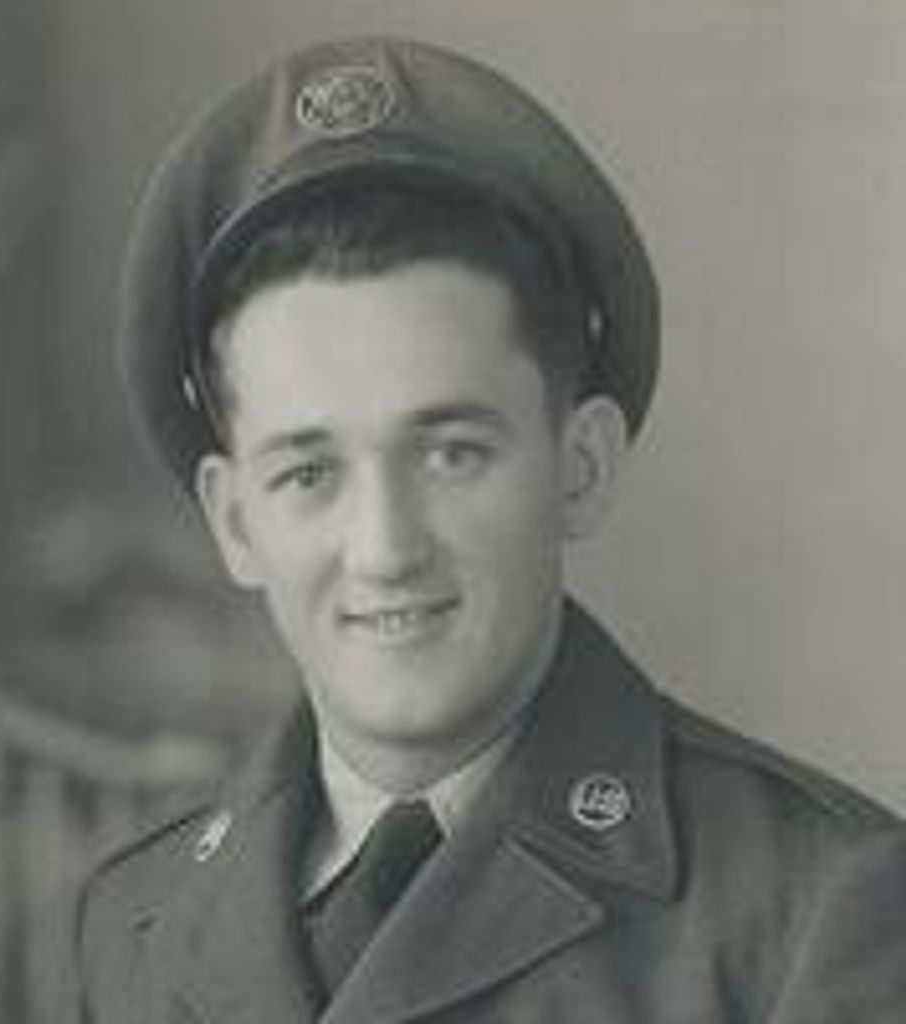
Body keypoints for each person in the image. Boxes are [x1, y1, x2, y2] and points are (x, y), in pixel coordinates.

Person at [74, 36, 906, 1023]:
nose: (385, 548)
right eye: (309, 473)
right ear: (235, 521)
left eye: (451, 453)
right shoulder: (135, 923)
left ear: (581, 466)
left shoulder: (815, 907)